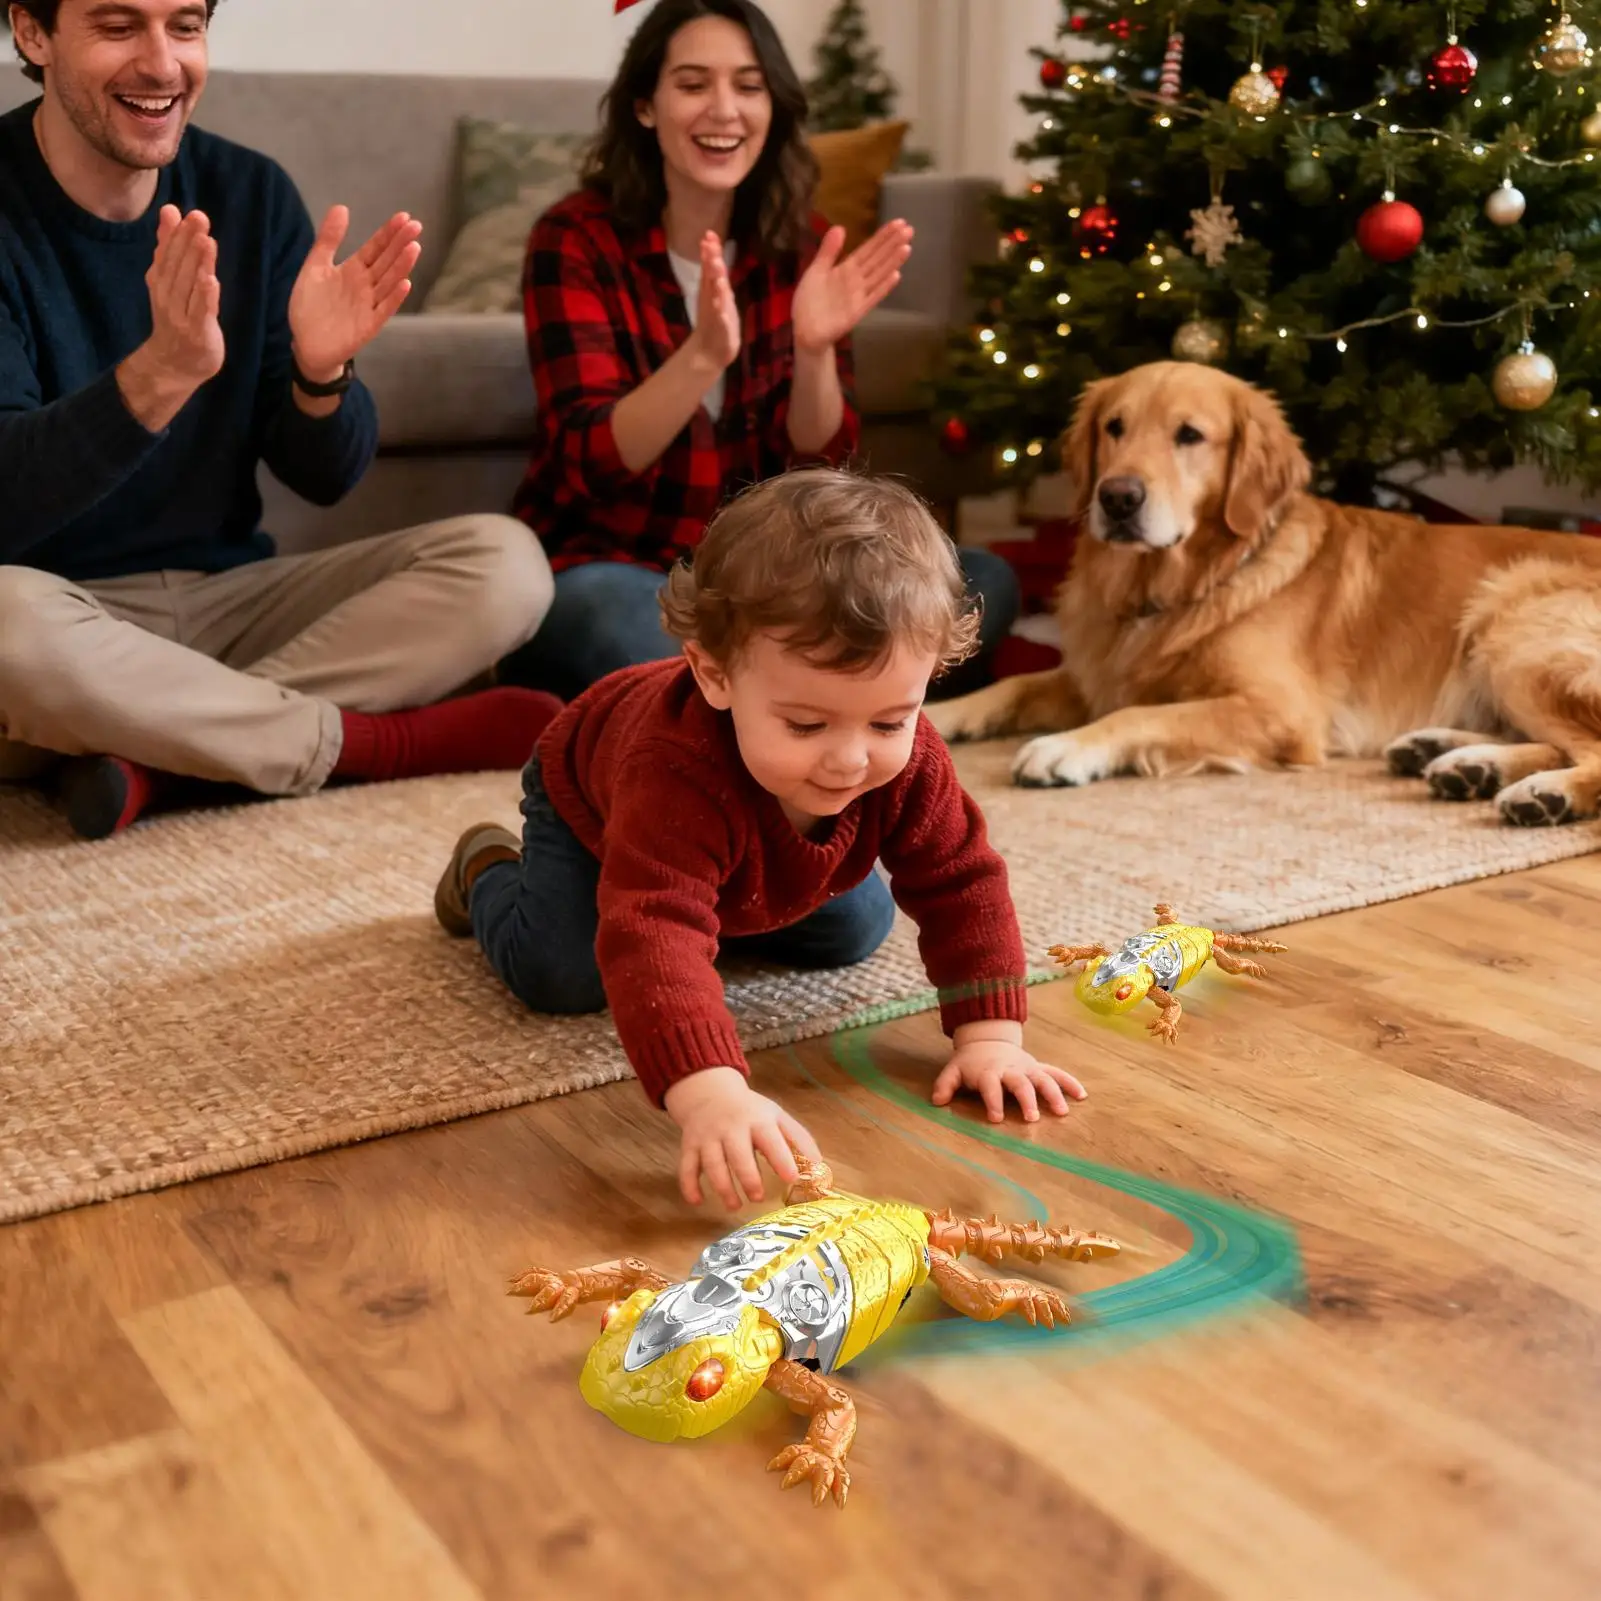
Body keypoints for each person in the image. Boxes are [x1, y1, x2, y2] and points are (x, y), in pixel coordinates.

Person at [434, 469, 1085, 1212]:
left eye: (886, 721)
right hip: (590, 802)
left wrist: (990, 1039)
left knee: (854, 928)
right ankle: (485, 865)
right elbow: (653, 927)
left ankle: (728, 894)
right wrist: (711, 1091)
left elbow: (961, 879)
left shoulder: (908, 760)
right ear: (713, 674)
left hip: (741, 848)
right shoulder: (670, 767)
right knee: (563, 974)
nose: (849, 758)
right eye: (805, 724)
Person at [0, 0, 559, 840]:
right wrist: (156, 377)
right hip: (56, 621)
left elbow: (324, 475)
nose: (162, 64)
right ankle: (368, 744)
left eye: (185, 26)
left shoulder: (249, 193)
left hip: (230, 602)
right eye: (119, 27)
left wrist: (320, 373)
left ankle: (158, 749)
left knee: (505, 563)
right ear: (32, 33)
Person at [495, 0, 1019, 702]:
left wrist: (814, 350)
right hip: (619, 566)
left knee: (980, 582)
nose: (723, 110)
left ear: (772, 107)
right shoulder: (574, 238)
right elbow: (590, 460)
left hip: (771, 583)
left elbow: (821, 468)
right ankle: (823, 696)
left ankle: (773, 698)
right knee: (609, 618)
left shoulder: (800, 241)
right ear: (645, 106)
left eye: (747, 86)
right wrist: (702, 358)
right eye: (691, 85)